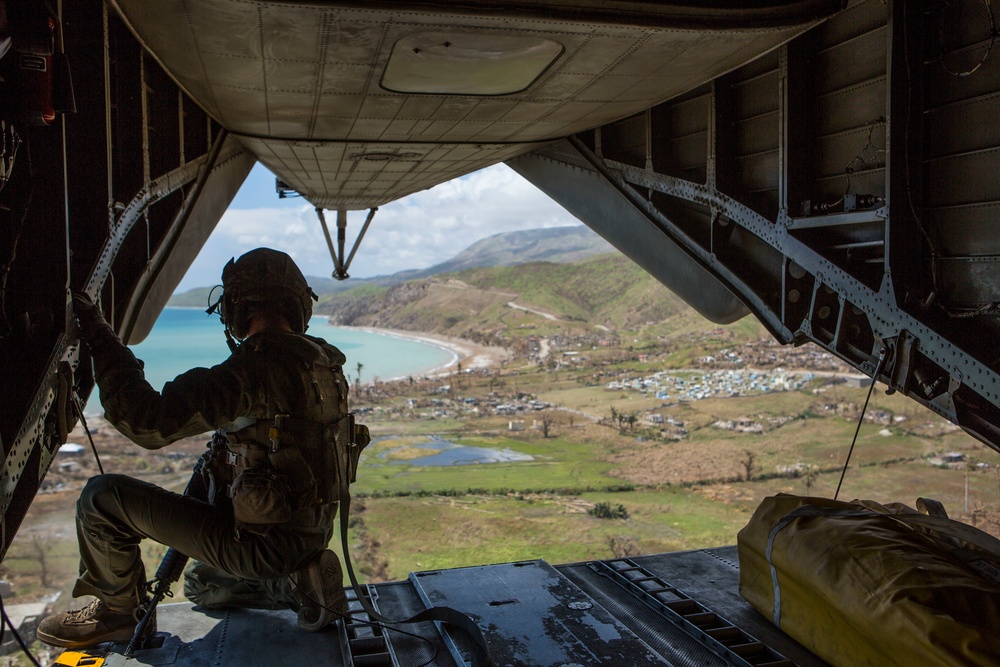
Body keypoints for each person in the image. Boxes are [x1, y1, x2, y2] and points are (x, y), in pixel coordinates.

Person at [37, 248, 364, 649]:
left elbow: (146, 422)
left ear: (235, 309)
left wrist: (103, 341)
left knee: (102, 499)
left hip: (261, 546)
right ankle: (296, 586)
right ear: (299, 306)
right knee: (201, 586)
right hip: (308, 537)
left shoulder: (253, 369)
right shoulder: (326, 363)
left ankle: (118, 613)